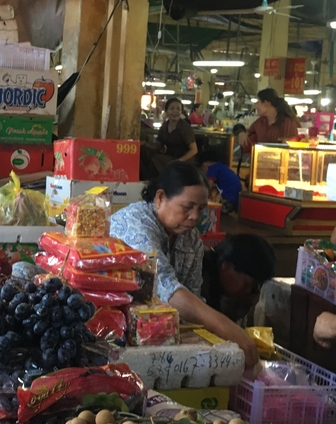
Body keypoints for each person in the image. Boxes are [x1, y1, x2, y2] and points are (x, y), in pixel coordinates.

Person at [109, 161, 259, 369]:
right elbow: (167, 290)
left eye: (201, 209)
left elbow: (192, 297)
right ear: (160, 198)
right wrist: (229, 329)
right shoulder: (134, 225)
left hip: (154, 335)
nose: (195, 217)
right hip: (115, 335)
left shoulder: (190, 238)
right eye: (187, 207)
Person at [201, 234, 276, 323]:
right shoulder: (198, 279)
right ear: (226, 266)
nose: (248, 291)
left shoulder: (235, 296)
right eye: (246, 284)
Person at [156, 97, 198, 165]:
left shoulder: (184, 127)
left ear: (181, 112)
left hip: (183, 161)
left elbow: (194, 150)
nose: (175, 111)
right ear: (166, 111)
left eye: (178, 109)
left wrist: (180, 160)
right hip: (170, 157)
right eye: (172, 108)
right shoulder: (165, 126)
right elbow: (158, 144)